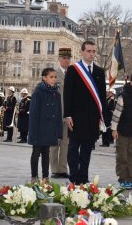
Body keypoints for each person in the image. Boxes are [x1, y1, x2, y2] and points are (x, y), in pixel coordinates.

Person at [64, 40, 106, 184]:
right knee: (73, 148)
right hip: (75, 117)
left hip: (92, 118)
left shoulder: (100, 71)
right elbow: (67, 93)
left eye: (94, 51)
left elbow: (102, 96)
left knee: (87, 149)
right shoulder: (74, 69)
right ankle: (74, 176)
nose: (91, 54)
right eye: (88, 51)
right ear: (82, 52)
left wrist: (102, 117)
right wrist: (67, 115)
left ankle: (84, 176)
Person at [28, 68, 62, 183]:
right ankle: (34, 176)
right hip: (38, 129)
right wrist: (33, 132)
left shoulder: (56, 94)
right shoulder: (38, 92)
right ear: (44, 78)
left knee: (46, 154)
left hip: (49, 130)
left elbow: (58, 115)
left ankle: (45, 177)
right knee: (36, 153)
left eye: (55, 77)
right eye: (51, 77)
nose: (54, 79)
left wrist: (58, 132)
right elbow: (33, 114)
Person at [50, 47, 71, 179]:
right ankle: (54, 169)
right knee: (54, 143)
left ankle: (63, 169)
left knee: (65, 143)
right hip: (56, 113)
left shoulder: (73, 74)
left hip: (68, 115)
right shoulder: (54, 74)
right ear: (59, 59)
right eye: (64, 58)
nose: (66, 60)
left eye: (68, 58)